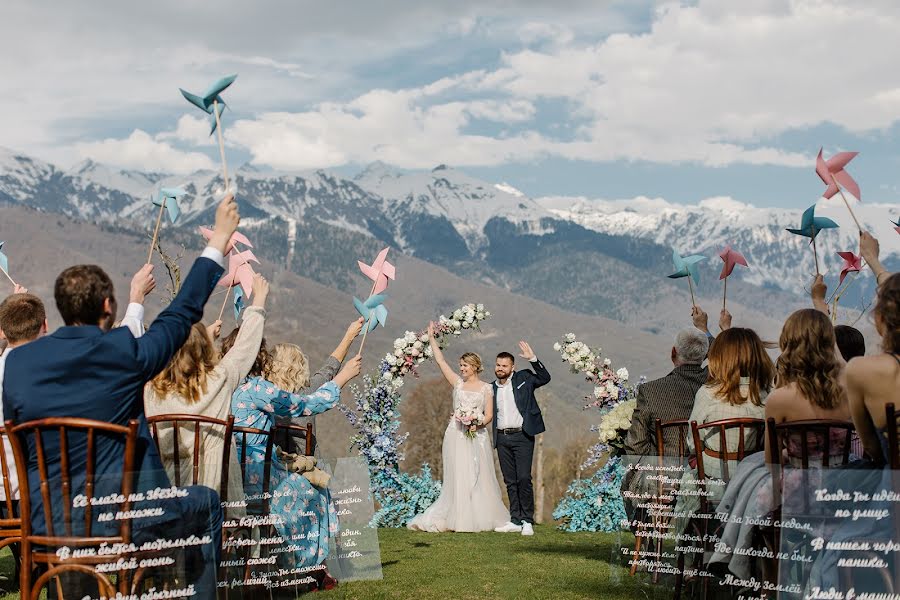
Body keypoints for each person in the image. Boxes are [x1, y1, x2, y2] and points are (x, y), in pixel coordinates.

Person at [2, 194, 240, 599]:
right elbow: (180, 314)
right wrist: (218, 239)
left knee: (76, 530)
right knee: (206, 505)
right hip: (126, 519)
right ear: (109, 306)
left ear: (57, 310)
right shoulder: (122, 353)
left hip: (48, 524)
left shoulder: (16, 366)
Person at [228, 335, 361, 573]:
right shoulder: (257, 388)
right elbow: (306, 405)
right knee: (316, 493)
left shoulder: (228, 383)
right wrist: (343, 378)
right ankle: (302, 564)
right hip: (257, 475)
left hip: (229, 471)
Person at [144, 273, 270, 516]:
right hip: (211, 499)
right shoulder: (219, 382)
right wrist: (259, 302)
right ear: (204, 351)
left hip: (161, 499)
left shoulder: (150, 392)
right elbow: (244, 349)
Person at [408, 323, 510, 533]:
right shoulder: (457, 384)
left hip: (477, 436)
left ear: (474, 367)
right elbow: (440, 361)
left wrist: (475, 422)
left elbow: (490, 415)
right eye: (461, 365)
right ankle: (458, 516)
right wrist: (431, 339)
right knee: (458, 475)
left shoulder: (486, 388)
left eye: (465, 365)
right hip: (456, 435)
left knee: (477, 474)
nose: (462, 368)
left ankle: (479, 516)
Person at [671, 328, 773, 532]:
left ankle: (693, 550)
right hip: (751, 483)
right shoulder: (768, 396)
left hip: (712, 485)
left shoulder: (708, 394)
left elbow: (693, 442)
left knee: (691, 473)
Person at [621, 327, 710, 520]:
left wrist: (645, 472)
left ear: (673, 353)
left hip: (662, 480)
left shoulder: (651, 391)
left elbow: (635, 445)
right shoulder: (716, 390)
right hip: (703, 477)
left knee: (629, 480)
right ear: (705, 356)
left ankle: (646, 538)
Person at [269, 317, 364, 455]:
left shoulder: (262, 395)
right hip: (310, 470)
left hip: (268, 468)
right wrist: (349, 335)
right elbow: (330, 368)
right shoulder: (308, 391)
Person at [845, 232, 898, 465]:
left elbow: (871, 448)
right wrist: (874, 261)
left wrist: (871, 257)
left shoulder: (861, 371)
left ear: (881, 319)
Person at [490, 340, 551, 536]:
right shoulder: (491, 388)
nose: (500, 368)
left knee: (524, 478)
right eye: (498, 365)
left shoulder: (524, 378)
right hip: (502, 438)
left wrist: (533, 359)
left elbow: (545, 377)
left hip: (522, 436)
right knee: (510, 480)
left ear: (512, 367)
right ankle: (515, 519)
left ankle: (527, 520)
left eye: (504, 365)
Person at [0, 286, 46, 501]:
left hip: (4, 491)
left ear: (2, 331)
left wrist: (16, 305)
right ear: (44, 326)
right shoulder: (50, 374)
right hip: (39, 495)